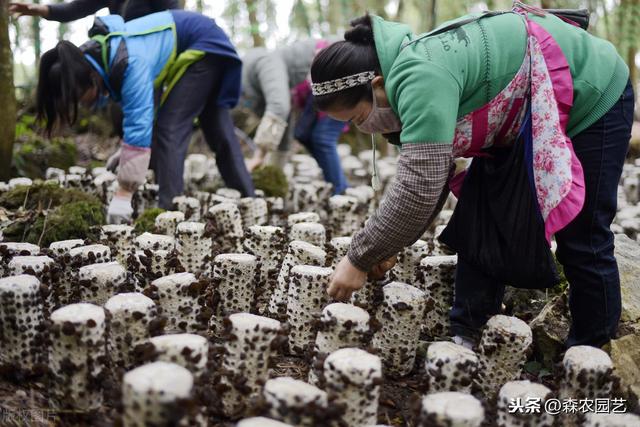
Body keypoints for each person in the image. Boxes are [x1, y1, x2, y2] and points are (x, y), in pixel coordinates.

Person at [311, 4, 634, 349]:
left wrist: (357, 258)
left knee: (582, 235)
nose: (359, 128)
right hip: (514, 114)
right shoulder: (408, 81)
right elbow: (432, 177)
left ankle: (591, 353)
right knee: (481, 216)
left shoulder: (418, 73)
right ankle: (467, 330)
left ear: (376, 86)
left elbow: (418, 187)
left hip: (592, 91)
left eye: (356, 117)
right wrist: (388, 246)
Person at [36, 10, 255, 222]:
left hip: (204, 44)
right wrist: (126, 151)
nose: (85, 105)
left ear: (92, 78)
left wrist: (124, 191)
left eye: (82, 98)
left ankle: (170, 215)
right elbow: (140, 115)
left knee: (170, 126)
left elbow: (139, 122)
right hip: (205, 41)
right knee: (217, 127)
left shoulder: (129, 62)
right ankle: (249, 202)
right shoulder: (106, 57)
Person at [241, 39, 349, 194]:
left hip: (336, 70)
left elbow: (279, 108)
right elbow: (281, 120)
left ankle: (340, 191)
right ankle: (336, 184)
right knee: (303, 135)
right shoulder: (255, 86)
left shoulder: (263, 62)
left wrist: (260, 155)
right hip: (314, 87)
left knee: (323, 138)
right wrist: (274, 171)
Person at [10, 0, 180, 22]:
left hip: (160, 57)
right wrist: (42, 9)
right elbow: (76, 9)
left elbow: (175, 19)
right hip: (126, 59)